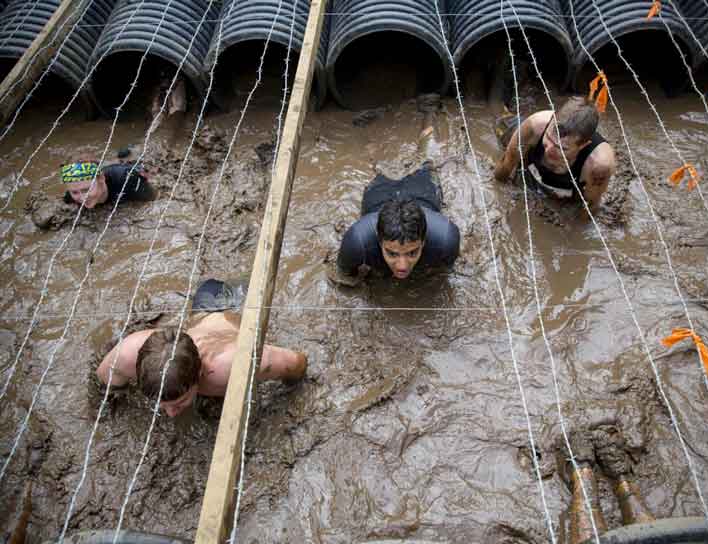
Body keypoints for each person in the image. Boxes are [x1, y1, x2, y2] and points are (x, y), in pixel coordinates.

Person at [96, 279, 307, 418]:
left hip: (223, 306)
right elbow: (102, 383)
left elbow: (297, 363)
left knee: (242, 286)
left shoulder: (230, 366)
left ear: (201, 373)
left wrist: (291, 388)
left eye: (180, 403)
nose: (171, 414)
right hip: (199, 320)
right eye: (162, 406)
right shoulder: (126, 355)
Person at [334, 95, 460, 283]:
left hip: (423, 191)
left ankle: (429, 111)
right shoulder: (356, 242)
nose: (402, 266)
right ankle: (363, 128)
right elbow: (343, 277)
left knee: (426, 158)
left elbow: (444, 274)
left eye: (412, 252)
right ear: (378, 241)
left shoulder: (446, 240)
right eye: (392, 253)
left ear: (424, 241)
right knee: (377, 165)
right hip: (378, 198)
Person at [494, 97, 616, 212]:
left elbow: (591, 205)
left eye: (561, 148)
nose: (549, 150)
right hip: (525, 133)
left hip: (569, 185)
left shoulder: (598, 166)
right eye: (548, 139)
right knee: (498, 119)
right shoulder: (534, 126)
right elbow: (505, 166)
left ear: (582, 146)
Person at [61, 161, 154, 209]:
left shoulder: (126, 180)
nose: (82, 198)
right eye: (75, 192)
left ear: (101, 179)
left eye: (86, 190)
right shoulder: (71, 196)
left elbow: (153, 198)